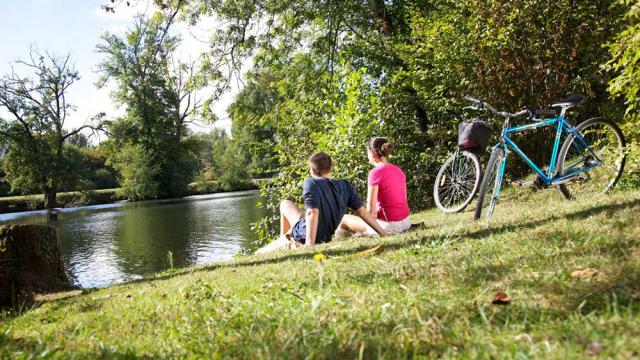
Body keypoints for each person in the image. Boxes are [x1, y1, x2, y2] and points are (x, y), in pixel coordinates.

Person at [256, 152, 386, 254]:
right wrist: (383, 233)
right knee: (285, 204)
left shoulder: (310, 183)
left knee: (258, 254)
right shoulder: (345, 185)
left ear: (312, 171)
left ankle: (285, 241)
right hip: (309, 229)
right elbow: (362, 211)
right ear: (330, 168)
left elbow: (313, 212)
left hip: (300, 238)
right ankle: (283, 237)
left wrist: (309, 244)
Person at [340, 137, 411, 236]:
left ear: (372, 152)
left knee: (344, 218)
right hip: (406, 222)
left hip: (389, 226)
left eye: (367, 152)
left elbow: (371, 210)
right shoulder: (398, 169)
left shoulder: (375, 173)